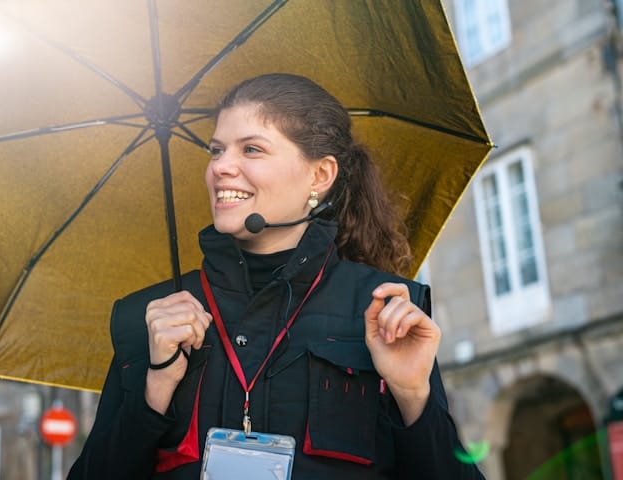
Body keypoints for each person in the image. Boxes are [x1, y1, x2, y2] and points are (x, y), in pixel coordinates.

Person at [68, 73, 485, 479]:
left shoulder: (384, 311)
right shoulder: (149, 317)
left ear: (320, 175)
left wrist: (413, 396)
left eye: (251, 149)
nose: (221, 167)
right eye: (216, 150)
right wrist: (154, 390)